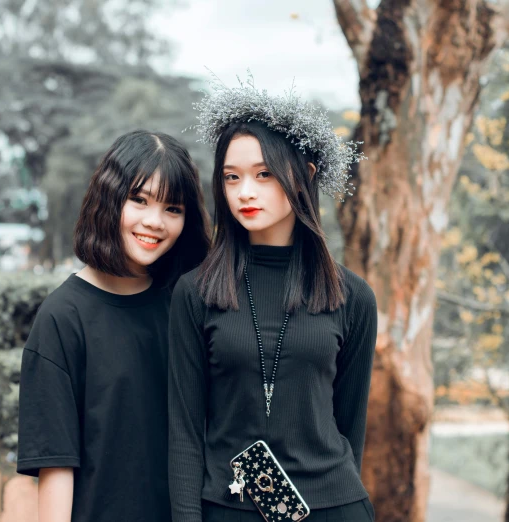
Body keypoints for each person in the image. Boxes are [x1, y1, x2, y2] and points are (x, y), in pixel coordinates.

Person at [168, 77, 377, 522]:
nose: (245, 191)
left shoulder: (352, 297)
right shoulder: (196, 292)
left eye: (264, 174)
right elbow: (185, 432)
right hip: (229, 507)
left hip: (333, 509)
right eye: (232, 177)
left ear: (306, 174)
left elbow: (350, 426)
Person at [18, 130, 210, 522]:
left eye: (173, 208)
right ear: (109, 197)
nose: (154, 222)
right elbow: (56, 464)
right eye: (139, 200)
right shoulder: (62, 317)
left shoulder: (188, 304)